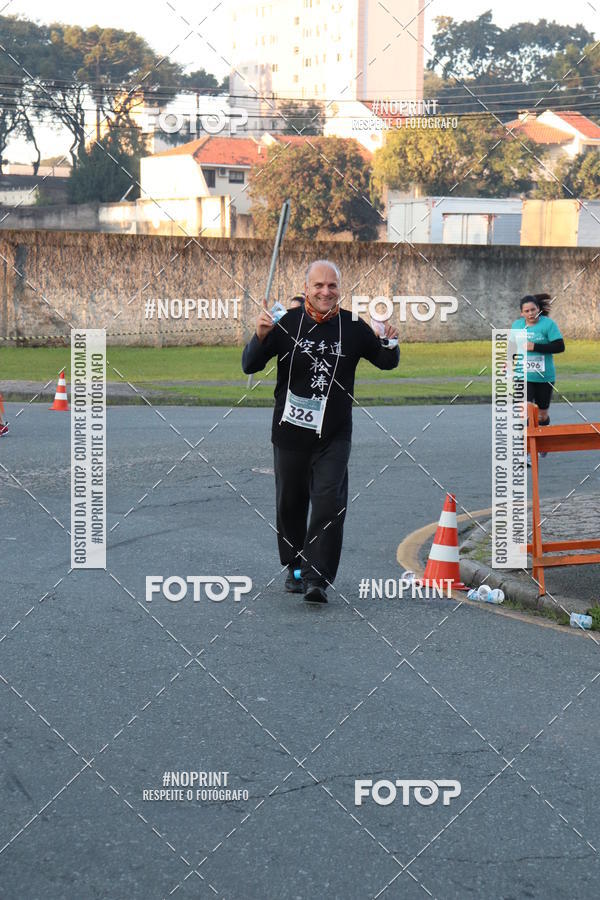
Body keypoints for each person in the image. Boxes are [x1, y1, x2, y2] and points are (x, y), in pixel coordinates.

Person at [242, 259, 399, 604]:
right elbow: (249, 365)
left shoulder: (354, 327)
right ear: (306, 288)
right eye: (319, 286)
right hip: (290, 433)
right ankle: (295, 566)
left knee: (329, 503)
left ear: (340, 289)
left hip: (334, 435)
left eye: (332, 286)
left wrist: (389, 340)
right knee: (291, 504)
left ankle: (317, 578)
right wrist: (259, 335)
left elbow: (387, 361)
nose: (326, 291)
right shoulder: (287, 324)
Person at [511, 293, 565, 462]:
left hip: (544, 376)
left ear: (539, 310)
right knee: (524, 411)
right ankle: (526, 452)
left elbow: (559, 346)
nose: (530, 313)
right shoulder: (517, 326)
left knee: (541, 415)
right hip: (523, 376)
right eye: (526, 311)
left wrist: (534, 346)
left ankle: (543, 438)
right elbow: (512, 348)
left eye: (533, 310)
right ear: (521, 313)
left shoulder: (548, 325)